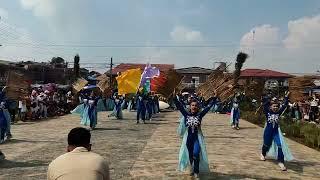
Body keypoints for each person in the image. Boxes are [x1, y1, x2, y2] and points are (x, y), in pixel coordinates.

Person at [174, 90, 217, 178]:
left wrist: (215, 97)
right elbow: (179, 106)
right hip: (188, 138)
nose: (194, 107)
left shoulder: (200, 115)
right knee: (190, 155)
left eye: (196, 106)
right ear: (190, 107)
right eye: (192, 105)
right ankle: (191, 168)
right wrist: (174, 96)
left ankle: (196, 171)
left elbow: (208, 107)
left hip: (196, 138)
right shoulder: (186, 115)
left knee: (196, 153)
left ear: (197, 107)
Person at [260, 91, 293, 171]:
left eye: (276, 107)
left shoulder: (279, 112)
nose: (275, 108)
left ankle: (281, 161)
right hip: (268, 132)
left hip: (276, 132)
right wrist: (270, 99)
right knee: (266, 145)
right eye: (274, 106)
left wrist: (286, 97)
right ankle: (263, 154)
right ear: (270, 107)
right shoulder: (267, 112)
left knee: (280, 145)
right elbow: (264, 104)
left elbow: (284, 105)